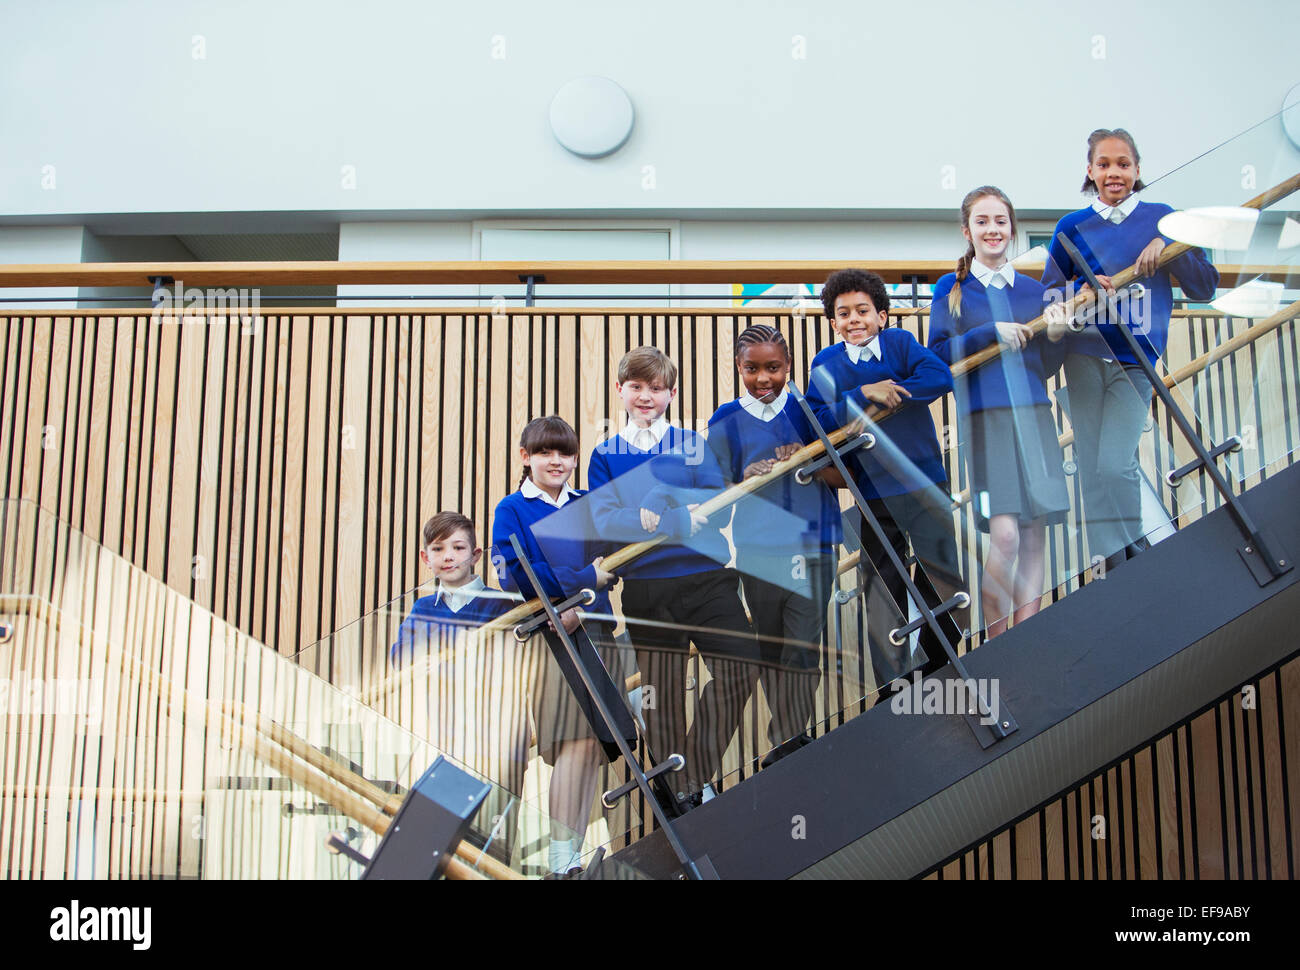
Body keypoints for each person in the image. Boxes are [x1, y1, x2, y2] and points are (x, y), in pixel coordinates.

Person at [586, 346, 759, 811]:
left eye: (656, 388)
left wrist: (663, 499)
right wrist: (675, 519)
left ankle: (692, 778)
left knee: (741, 666)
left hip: (708, 580)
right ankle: (680, 801)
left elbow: (717, 508)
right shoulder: (605, 455)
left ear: (672, 394)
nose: (646, 396)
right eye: (636, 387)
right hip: (647, 590)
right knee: (661, 701)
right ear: (619, 390)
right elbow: (605, 522)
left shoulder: (692, 444)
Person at [1041, 128, 1219, 571]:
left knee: (1116, 464)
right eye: (1104, 164)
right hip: (1083, 356)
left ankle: (1138, 559)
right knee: (1092, 468)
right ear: (1090, 171)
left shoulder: (1163, 218)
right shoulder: (1070, 228)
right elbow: (1048, 297)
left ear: (1138, 169)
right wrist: (1079, 290)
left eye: (1123, 164)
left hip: (1136, 360)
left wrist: (1169, 247)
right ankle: (1114, 569)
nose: (1114, 172)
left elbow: (1205, 287)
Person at [805, 268, 967, 686]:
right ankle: (893, 681)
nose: (854, 319)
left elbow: (939, 377)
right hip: (873, 490)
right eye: (844, 313)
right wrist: (863, 394)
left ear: (881, 315)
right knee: (881, 583)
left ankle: (941, 665)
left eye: (863, 310)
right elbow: (816, 421)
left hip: (925, 481)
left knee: (941, 573)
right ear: (833, 322)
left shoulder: (899, 343)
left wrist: (887, 391)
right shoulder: (825, 364)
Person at [491, 415, 636, 878]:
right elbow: (515, 573)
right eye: (544, 452)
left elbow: (612, 563)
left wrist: (580, 599)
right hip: (550, 641)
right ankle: (559, 859)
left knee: (596, 744)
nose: (556, 461)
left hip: (596, 630)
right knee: (573, 741)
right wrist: (580, 583)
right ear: (525, 457)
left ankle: (573, 855)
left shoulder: (586, 503)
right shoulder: (512, 509)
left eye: (565, 453)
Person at [928, 186, 1070, 639]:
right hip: (984, 422)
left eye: (1001, 221)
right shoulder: (951, 289)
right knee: (1005, 535)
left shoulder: (1034, 291)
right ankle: (997, 642)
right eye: (983, 221)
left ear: (1012, 228)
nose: (993, 229)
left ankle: (1026, 640)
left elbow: (1045, 367)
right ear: (966, 230)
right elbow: (938, 357)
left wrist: (1056, 337)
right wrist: (990, 332)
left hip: (1035, 416)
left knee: (1035, 533)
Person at [706, 324, 841, 765]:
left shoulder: (809, 411)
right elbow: (716, 501)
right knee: (770, 649)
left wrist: (806, 456)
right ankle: (790, 741)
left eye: (774, 368)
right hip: (757, 551)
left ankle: (787, 743)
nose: (763, 378)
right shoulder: (725, 420)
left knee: (802, 647)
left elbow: (844, 476)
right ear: (738, 368)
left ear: (788, 366)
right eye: (752, 369)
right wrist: (742, 480)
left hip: (813, 545)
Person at [388, 511, 528, 863]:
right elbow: (402, 658)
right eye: (438, 549)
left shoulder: (503, 605)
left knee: (493, 842)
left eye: (458, 547)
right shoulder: (423, 608)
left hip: (497, 740)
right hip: (445, 740)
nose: (448, 556)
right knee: (445, 841)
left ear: (476, 555)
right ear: (426, 558)